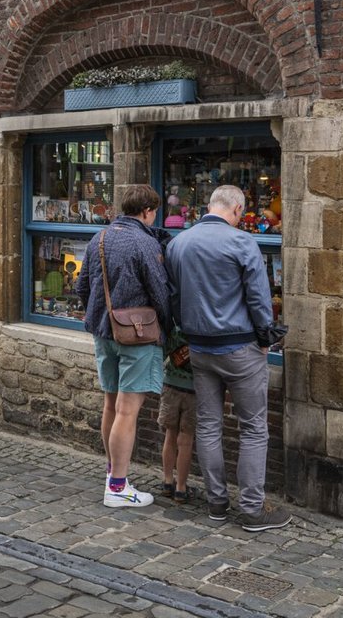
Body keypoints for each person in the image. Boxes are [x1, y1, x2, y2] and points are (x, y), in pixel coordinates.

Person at [166, 185, 291, 532]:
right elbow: (258, 298)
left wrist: (188, 331)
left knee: (208, 425)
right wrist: (266, 337)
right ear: (237, 210)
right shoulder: (241, 243)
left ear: (210, 207)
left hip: (201, 348)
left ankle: (216, 502)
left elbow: (174, 299)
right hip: (240, 348)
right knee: (253, 428)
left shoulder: (178, 244)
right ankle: (252, 509)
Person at [74, 184, 170, 509]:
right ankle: (117, 486)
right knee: (128, 412)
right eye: (154, 211)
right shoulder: (145, 242)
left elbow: (81, 286)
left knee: (110, 406)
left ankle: (112, 472)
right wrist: (166, 329)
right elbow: (160, 293)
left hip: (103, 333)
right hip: (138, 336)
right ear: (147, 212)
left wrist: (102, 315)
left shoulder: (98, 238)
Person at [159, 324, 196, 503]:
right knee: (186, 439)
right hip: (194, 390)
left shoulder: (173, 326)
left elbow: (163, 350)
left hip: (170, 384)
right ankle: (181, 487)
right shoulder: (202, 329)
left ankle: (167, 481)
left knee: (170, 434)